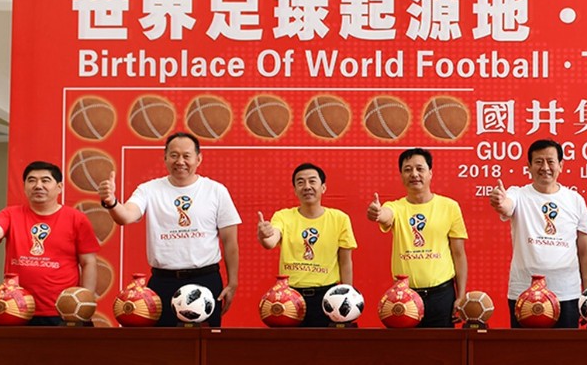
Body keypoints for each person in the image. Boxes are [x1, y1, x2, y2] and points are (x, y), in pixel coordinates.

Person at [99, 132, 241, 327]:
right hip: (163, 282)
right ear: (165, 158)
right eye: (174, 155)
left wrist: (233, 282)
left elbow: (230, 242)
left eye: (186, 156)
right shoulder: (149, 190)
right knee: (162, 343)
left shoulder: (216, 190)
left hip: (205, 281)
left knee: (205, 342)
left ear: (198, 159)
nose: (180, 161)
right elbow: (125, 216)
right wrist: (111, 202)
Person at [0, 161, 98, 325]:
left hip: (64, 310)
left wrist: (84, 303)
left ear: (59, 187)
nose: (38, 185)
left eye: (45, 180)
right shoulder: (11, 214)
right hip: (17, 308)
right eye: (32, 180)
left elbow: (88, 262)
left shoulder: (77, 219)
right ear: (24, 187)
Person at [489, 139, 587, 328]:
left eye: (550, 161)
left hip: (566, 292)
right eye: (538, 162)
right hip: (524, 292)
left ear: (561, 165)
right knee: (525, 346)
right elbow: (506, 206)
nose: (545, 167)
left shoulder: (575, 200)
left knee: (566, 345)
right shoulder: (517, 194)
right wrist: (500, 202)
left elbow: (584, 252)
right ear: (528, 166)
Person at [366, 148, 467, 327]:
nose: (414, 174)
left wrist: (460, 296)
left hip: (441, 296)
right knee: (407, 345)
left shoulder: (449, 207)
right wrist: (378, 213)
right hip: (403, 298)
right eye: (408, 170)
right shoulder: (395, 207)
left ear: (430, 173)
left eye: (420, 169)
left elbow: (458, 254)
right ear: (401, 176)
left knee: (442, 344)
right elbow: (386, 215)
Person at [257, 163, 356, 327]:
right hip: (289, 298)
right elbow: (270, 241)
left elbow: (345, 262)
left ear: (323, 187)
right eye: (300, 182)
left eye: (312, 181)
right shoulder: (283, 216)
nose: (307, 187)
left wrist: (348, 297)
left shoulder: (340, 219)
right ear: (295, 190)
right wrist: (264, 235)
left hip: (327, 297)